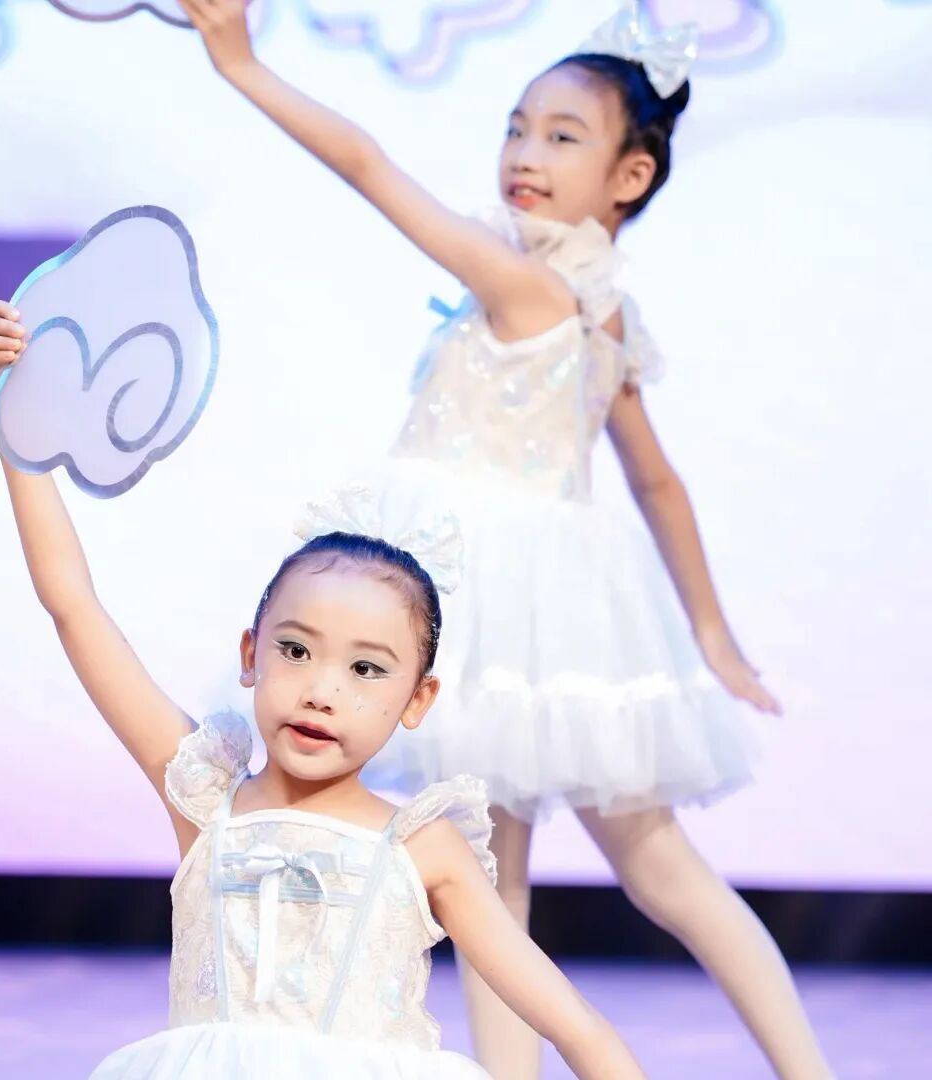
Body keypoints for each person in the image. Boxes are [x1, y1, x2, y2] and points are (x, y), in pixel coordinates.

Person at [173, 2, 832, 1076]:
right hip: (547, 605)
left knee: (534, 875)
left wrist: (242, 66)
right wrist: (709, 635)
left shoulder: (525, 283)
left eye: (562, 136)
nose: (525, 153)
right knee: (621, 869)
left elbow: (367, 166)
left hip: (492, 598)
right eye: (517, 128)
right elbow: (656, 484)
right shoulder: (597, 309)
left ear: (629, 175)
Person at [0, 300, 646, 1078]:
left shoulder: (421, 846)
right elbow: (73, 604)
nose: (322, 691)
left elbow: (578, 1029)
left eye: (366, 669)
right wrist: (12, 418)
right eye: (296, 650)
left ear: (417, 699)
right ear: (251, 654)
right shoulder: (206, 800)